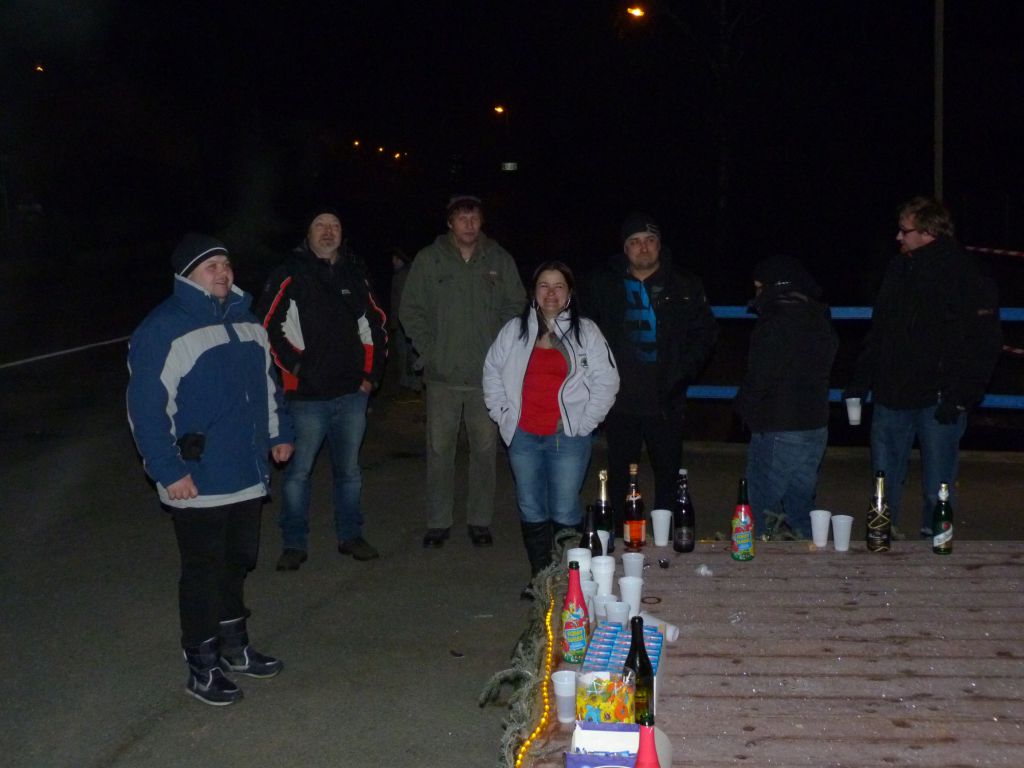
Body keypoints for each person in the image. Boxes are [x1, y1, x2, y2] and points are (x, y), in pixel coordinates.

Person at [127, 233, 294, 706]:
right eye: (210, 266)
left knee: (237, 562)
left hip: (246, 471)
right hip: (197, 477)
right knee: (203, 571)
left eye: (226, 263)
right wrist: (167, 470)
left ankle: (235, 647)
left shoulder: (247, 321)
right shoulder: (163, 328)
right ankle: (202, 667)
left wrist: (278, 434)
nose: (223, 272)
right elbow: (146, 408)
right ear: (187, 276)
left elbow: (268, 386)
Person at [845, 197, 1002, 538]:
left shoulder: (965, 272)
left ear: (929, 232)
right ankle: (882, 537)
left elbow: (983, 341)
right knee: (883, 479)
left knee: (938, 486)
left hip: (939, 397)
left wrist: (962, 396)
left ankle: (936, 543)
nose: (898, 238)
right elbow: (880, 330)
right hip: (891, 394)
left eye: (905, 231)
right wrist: (860, 381)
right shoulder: (899, 268)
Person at [257, 208, 388, 569]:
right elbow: (265, 325)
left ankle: (351, 535)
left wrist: (371, 376)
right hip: (306, 397)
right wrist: (298, 368)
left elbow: (376, 324)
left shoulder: (355, 273)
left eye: (335, 226)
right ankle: (294, 543)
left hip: (351, 395)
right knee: (298, 473)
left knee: (350, 472)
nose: (328, 232)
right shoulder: (289, 272)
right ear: (308, 232)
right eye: (320, 225)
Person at [483, 261, 619, 594]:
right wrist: (503, 414)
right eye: (544, 285)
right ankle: (540, 578)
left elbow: (607, 380)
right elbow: (492, 371)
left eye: (559, 286)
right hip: (523, 435)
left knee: (564, 506)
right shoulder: (514, 331)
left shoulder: (586, 332)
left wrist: (585, 422)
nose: (551, 293)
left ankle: (566, 581)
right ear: (534, 292)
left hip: (567, 437)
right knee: (530, 505)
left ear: (569, 292)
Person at [400, 194, 525, 549]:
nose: (469, 224)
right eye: (461, 217)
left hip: (486, 378)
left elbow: (516, 305)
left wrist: (498, 348)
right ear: (450, 223)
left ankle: (479, 521)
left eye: (474, 217)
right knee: (440, 452)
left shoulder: (498, 259)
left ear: (481, 221)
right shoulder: (430, 259)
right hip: (443, 378)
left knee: (484, 452)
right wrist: (431, 351)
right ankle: (438, 522)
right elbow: (410, 309)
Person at [587, 212, 718, 525]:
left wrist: (682, 374)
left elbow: (705, 334)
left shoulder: (685, 284)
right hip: (619, 402)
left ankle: (666, 538)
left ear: (660, 244)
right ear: (625, 249)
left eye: (649, 240)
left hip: (665, 401)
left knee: (668, 477)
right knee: (620, 476)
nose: (643, 247)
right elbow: (587, 330)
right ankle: (621, 537)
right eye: (635, 242)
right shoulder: (605, 284)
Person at [734, 256, 838, 540]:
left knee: (759, 504)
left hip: (778, 424)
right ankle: (807, 554)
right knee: (800, 504)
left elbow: (760, 374)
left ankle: (754, 555)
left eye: (759, 286)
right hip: (815, 424)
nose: (757, 293)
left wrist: (744, 408)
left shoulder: (776, 320)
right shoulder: (819, 316)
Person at [389, 248, 421, 394]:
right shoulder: (402, 275)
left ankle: (412, 383)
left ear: (400, 260)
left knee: (408, 353)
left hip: (405, 323)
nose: (393, 261)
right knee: (406, 352)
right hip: (403, 322)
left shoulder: (403, 276)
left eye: (395, 258)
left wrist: (399, 322)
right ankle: (409, 382)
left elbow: (404, 302)